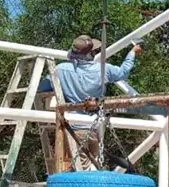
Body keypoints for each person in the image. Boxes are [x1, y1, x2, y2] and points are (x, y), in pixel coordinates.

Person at [38, 35, 141, 168]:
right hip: (94, 129)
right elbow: (123, 72)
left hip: (73, 128)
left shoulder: (61, 69)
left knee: (82, 171)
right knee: (90, 170)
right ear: (91, 53)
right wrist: (132, 52)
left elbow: (41, 88)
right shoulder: (103, 69)